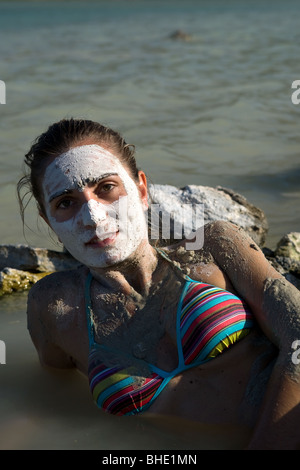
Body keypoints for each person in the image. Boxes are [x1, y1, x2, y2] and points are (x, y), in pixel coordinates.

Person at [17, 118, 300, 449]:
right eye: (65, 202)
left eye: (106, 188)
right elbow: (52, 400)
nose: (93, 216)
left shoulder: (215, 247)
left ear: (140, 189)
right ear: (48, 221)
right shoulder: (54, 307)